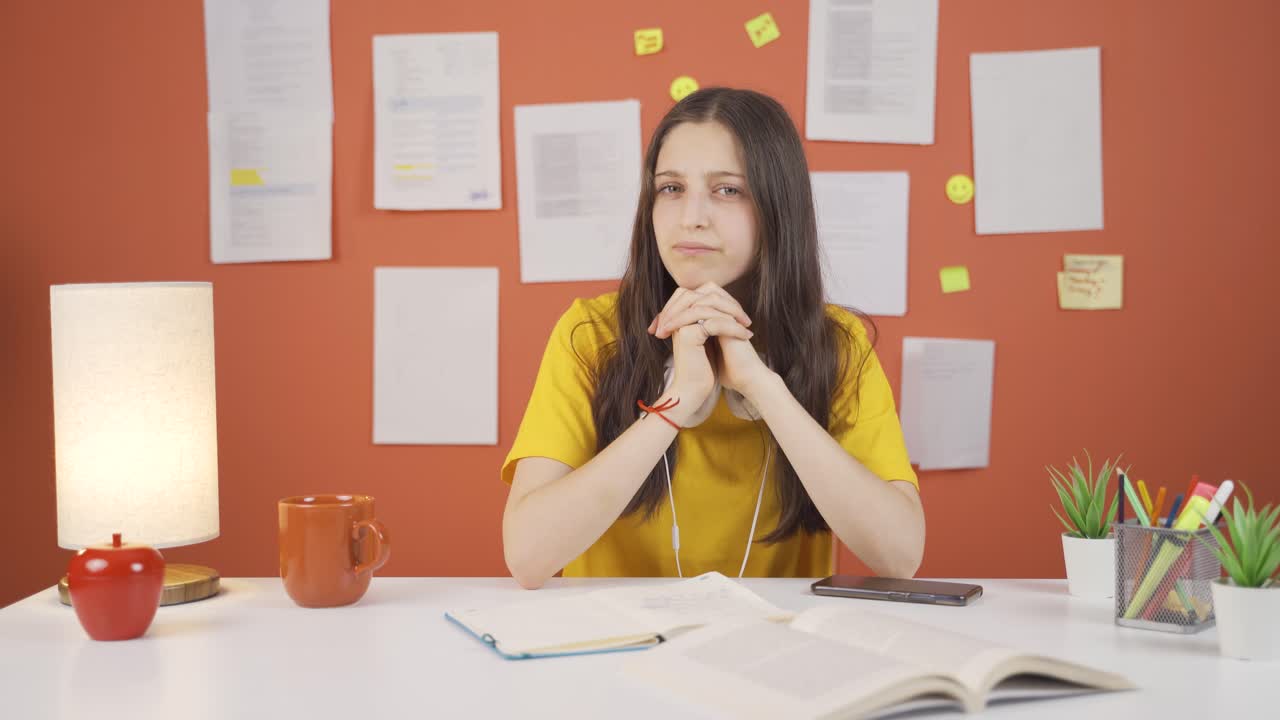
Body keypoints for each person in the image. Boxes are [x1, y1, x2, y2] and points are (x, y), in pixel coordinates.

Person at [501, 87, 924, 590]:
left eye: (728, 190)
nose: (691, 217)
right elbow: (527, 557)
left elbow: (900, 557)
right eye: (671, 188)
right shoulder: (592, 334)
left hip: (775, 646)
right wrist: (675, 403)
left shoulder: (838, 343)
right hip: (613, 644)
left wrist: (763, 386)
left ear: (777, 208)